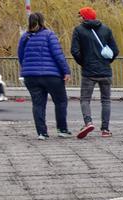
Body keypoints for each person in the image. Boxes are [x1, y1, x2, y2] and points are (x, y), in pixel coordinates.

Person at [18, 12, 71, 140]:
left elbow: (21, 56)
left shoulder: (24, 37)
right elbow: (58, 55)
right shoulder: (49, 35)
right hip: (51, 76)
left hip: (31, 77)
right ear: (43, 21)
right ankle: (62, 129)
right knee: (60, 101)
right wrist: (66, 71)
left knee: (38, 104)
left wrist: (27, 68)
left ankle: (42, 133)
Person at [71, 6, 119, 139]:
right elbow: (115, 50)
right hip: (105, 72)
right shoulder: (106, 29)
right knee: (106, 100)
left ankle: (88, 122)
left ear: (84, 17)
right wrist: (107, 63)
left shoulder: (79, 30)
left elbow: (75, 51)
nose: (79, 18)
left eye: (80, 16)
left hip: (89, 72)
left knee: (85, 99)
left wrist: (84, 63)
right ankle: (105, 129)